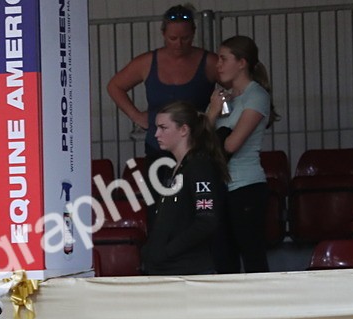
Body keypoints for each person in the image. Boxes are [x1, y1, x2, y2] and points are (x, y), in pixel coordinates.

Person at [107, 5, 218, 164]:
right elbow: (114, 86)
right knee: (159, 187)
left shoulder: (209, 62)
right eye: (173, 38)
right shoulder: (146, 62)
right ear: (163, 34)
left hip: (197, 145)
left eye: (185, 38)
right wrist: (136, 116)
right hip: (157, 147)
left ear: (193, 33)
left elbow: (238, 82)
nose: (179, 44)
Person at [206, 35, 278, 274]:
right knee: (223, 256)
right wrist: (213, 112)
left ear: (242, 62)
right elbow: (198, 141)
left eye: (224, 59)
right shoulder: (224, 99)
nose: (218, 65)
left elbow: (232, 145)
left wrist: (214, 127)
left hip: (246, 185)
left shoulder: (256, 96)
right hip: (221, 187)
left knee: (252, 254)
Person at [140, 102, 228, 275]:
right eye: (156, 128)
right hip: (167, 270)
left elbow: (206, 221)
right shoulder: (172, 168)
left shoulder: (199, 167)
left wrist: (166, 252)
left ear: (183, 130)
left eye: (163, 128)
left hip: (189, 272)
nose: (157, 134)